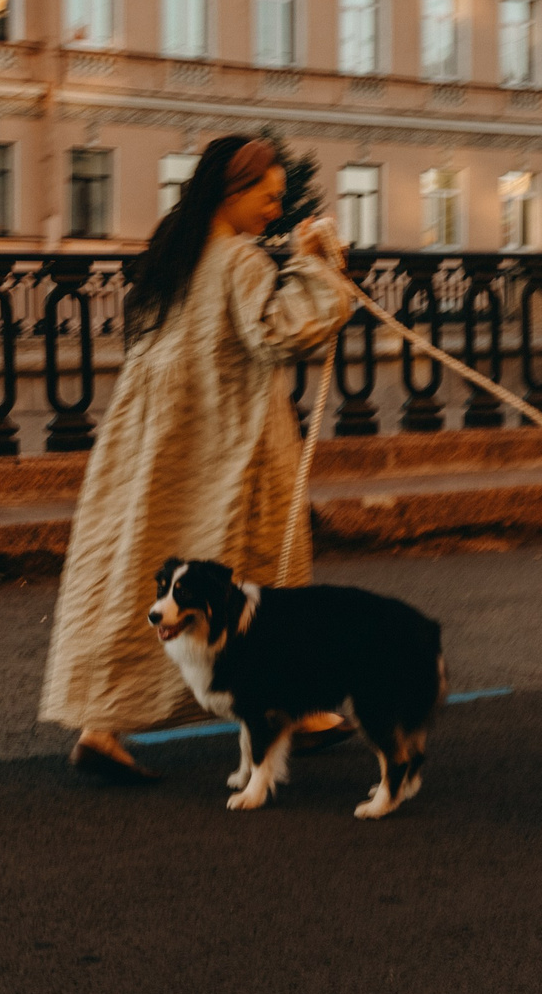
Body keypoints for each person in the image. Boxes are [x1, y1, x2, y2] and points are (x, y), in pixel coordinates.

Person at [39, 134, 353, 780]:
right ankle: (297, 709)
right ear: (232, 191)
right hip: (226, 438)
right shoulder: (239, 259)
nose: (276, 210)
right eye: (268, 198)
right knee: (259, 562)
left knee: (142, 566)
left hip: (152, 444)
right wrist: (318, 263)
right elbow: (282, 332)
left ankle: (101, 725)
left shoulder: (171, 253)